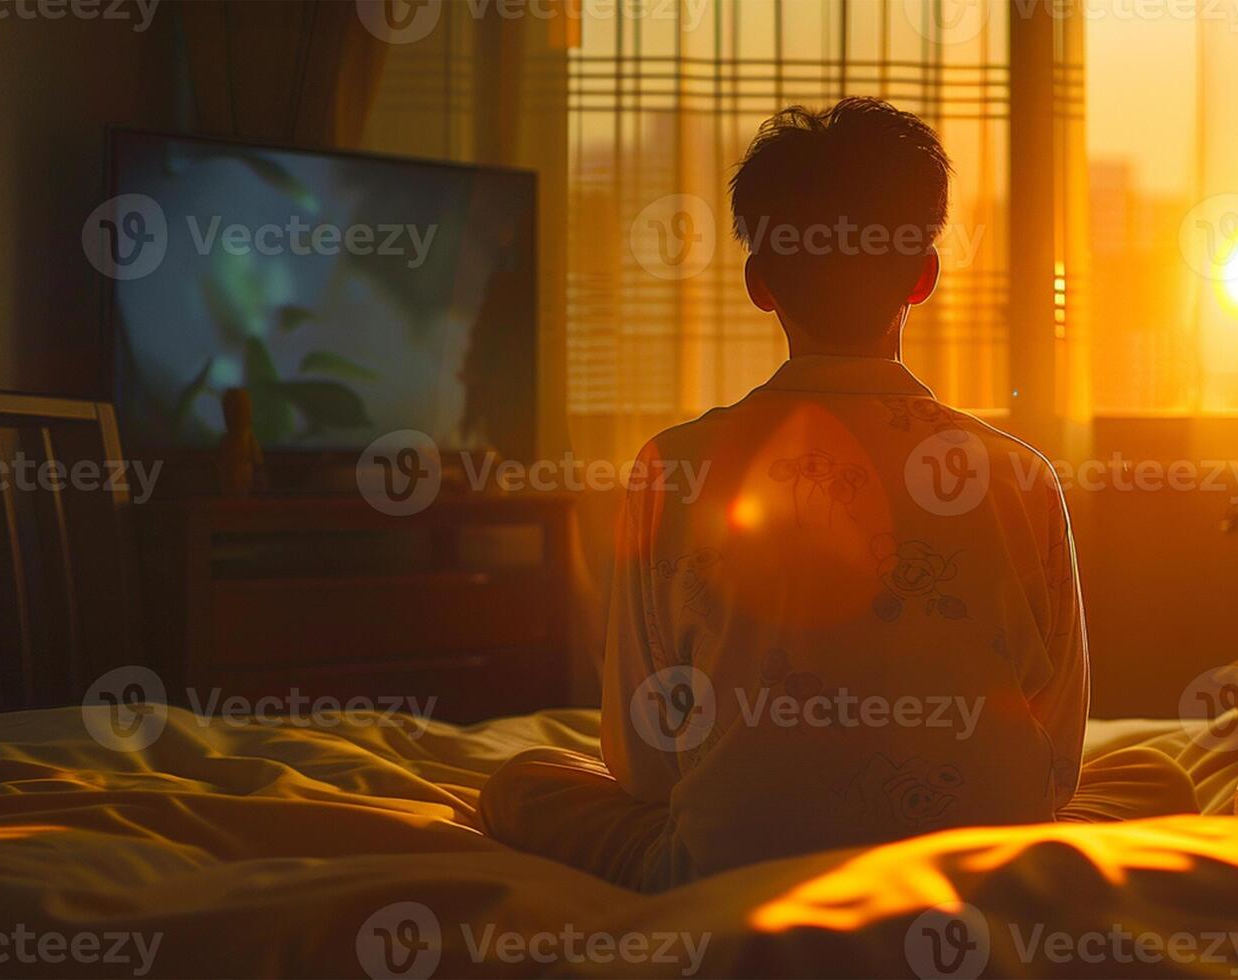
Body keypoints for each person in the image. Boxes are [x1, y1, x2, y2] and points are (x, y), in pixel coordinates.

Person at [481, 98, 1191, 891]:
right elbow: (1056, 763)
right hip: (984, 867)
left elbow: (645, 768)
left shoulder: (672, 466)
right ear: (922, 277)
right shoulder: (1018, 472)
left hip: (722, 866)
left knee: (524, 782)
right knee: (1158, 779)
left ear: (759, 284)